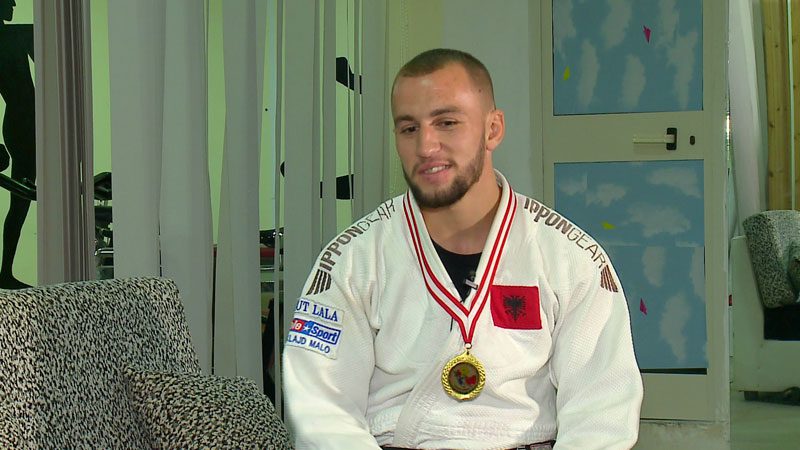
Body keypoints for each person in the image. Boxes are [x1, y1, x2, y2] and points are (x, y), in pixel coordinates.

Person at [282, 48, 643, 450]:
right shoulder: (352, 261)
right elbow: (322, 410)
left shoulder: (570, 258)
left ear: (493, 129)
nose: (426, 146)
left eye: (447, 122)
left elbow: (602, 413)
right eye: (409, 128)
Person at [0, 0, 35, 289]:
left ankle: (5, 272)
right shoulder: (19, 35)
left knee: (23, 199)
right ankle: (6, 271)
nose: (13, 3)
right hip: (22, 126)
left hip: (31, 122)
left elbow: (55, 72)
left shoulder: (22, 33)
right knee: (21, 200)